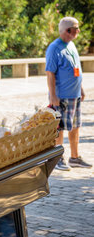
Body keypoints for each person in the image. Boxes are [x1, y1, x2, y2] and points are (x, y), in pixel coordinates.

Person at [46, 17, 91, 170]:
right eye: (76, 28)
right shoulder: (54, 48)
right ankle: (58, 158)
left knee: (75, 126)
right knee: (60, 128)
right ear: (67, 30)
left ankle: (75, 157)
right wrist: (53, 96)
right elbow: (50, 73)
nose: (78, 31)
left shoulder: (71, 45)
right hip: (62, 96)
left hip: (75, 95)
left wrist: (81, 89)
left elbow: (76, 69)